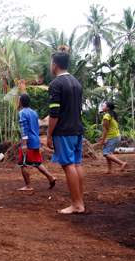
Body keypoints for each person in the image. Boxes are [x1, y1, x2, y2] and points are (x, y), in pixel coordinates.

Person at [47, 46, 85, 215]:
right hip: (78, 130)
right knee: (76, 164)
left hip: (64, 131)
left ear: (54, 65)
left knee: (68, 165)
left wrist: (49, 134)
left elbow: (54, 113)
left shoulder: (56, 84)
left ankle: (76, 205)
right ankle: (79, 202)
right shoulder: (76, 83)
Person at [17, 79, 56, 191]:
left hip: (28, 142)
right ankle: (50, 177)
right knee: (37, 163)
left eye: (18, 100)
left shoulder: (22, 113)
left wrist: (24, 144)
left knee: (23, 164)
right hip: (36, 140)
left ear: (20, 102)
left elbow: (24, 129)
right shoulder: (34, 112)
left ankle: (28, 186)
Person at [98, 102, 127, 173]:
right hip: (115, 136)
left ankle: (122, 163)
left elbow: (106, 129)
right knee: (108, 152)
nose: (103, 106)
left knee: (105, 153)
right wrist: (103, 137)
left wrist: (103, 140)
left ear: (108, 108)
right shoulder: (112, 115)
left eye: (104, 105)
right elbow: (111, 128)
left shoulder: (106, 116)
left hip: (112, 137)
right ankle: (110, 169)